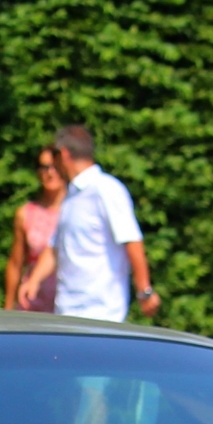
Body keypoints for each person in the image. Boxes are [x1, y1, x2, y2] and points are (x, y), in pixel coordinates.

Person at [33, 124, 159, 322]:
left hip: (101, 314)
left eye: (55, 160)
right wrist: (33, 281)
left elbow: (132, 240)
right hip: (66, 311)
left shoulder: (106, 190)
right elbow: (56, 247)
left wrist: (144, 290)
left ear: (64, 155)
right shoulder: (70, 197)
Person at [2, 148, 68, 311]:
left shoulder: (77, 211)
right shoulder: (26, 214)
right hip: (32, 302)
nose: (51, 173)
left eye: (56, 167)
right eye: (45, 167)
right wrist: (8, 307)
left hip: (68, 303)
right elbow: (16, 263)